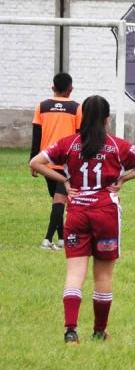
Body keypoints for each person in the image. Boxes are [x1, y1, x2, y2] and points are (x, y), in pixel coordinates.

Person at [29, 95, 135, 344]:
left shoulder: (69, 144)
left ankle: (70, 331)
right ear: (107, 119)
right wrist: (123, 179)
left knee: (75, 273)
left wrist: (64, 181)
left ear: (83, 117)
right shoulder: (117, 146)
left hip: (76, 213)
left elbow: (36, 162)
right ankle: (99, 331)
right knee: (103, 277)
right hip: (105, 214)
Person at [29, 73, 82, 250]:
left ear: (53, 88)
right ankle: (47, 240)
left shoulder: (41, 106)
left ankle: (61, 240)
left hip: (45, 162)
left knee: (57, 200)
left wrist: (33, 161)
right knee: (59, 200)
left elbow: (36, 136)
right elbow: (79, 136)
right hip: (66, 162)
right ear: (71, 89)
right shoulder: (77, 108)